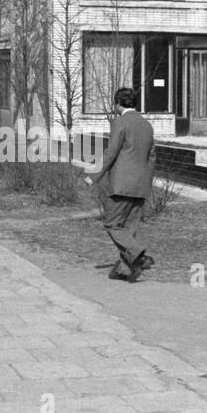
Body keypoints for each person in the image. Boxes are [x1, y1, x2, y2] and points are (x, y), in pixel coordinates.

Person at [89, 87, 157, 282]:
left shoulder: (120, 122)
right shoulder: (146, 125)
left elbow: (111, 153)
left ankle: (140, 255)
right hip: (141, 184)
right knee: (129, 228)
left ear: (117, 103)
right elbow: (152, 157)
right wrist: (147, 181)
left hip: (122, 183)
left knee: (112, 224)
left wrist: (93, 176)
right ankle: (125, 270)